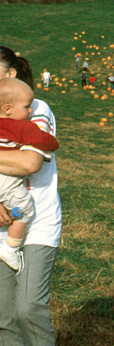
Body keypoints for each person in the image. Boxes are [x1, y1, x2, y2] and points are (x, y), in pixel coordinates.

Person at [0, 46, 62, 346]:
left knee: (28, 308)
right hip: (2, 224)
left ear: (13, 74)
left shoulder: (35, 109)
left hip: (37, 224)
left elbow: (29, 161)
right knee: (3, 312)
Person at [0, 79, 58, 271]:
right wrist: (52, 143)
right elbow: (45, 141)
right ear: (8, 109)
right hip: (6, 180)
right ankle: (10, 247)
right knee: (24, 208)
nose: (31, 111)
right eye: (26, 107)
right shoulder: (20, 127)